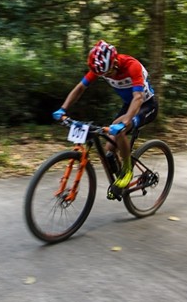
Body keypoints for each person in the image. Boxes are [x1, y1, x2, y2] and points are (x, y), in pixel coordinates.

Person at [52, 40, 158, 200]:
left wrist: (124, 122)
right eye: (103, 75)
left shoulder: (132, 66)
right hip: (130, 105)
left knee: (119, 128)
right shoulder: (100, 68)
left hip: (146, 105)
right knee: (109, 148)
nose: (106, 76)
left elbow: (138, 97)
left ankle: (128, 171)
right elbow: (80, 87)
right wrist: (63, 109)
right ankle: (119, 185)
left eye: (108, 73)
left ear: (115, 62)